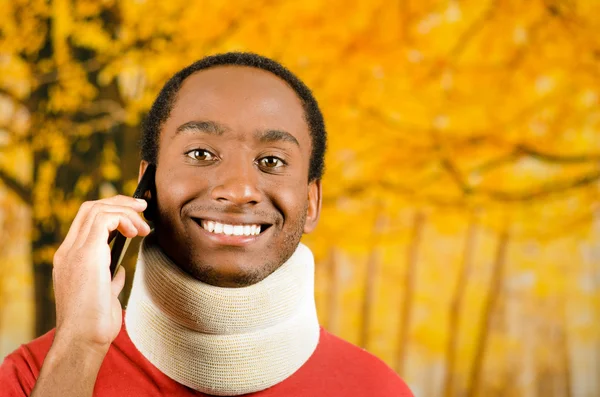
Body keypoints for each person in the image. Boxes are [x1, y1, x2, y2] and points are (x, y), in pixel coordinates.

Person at [0, 53, 413, 396]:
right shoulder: (32, 378)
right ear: (147, 186)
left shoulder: (378, 389)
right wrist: (79, 346)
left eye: (271, 161)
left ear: (311, 201)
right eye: (200, 154)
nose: (238, 190)